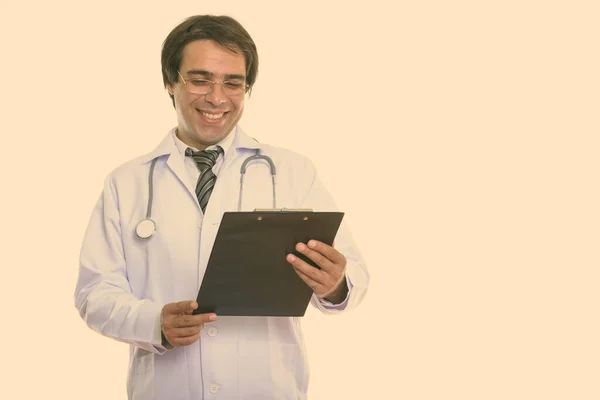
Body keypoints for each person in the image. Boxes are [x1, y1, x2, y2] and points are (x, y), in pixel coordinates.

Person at [74, 14, 369, 400]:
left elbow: (354, 276)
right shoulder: (125, 183)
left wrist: (334, 285)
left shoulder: (293, 172)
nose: (217, 97)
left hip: (267, 389)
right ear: (169, 83)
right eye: (199, 80)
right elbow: (94, 293)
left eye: (233, 83)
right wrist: (153, 323)